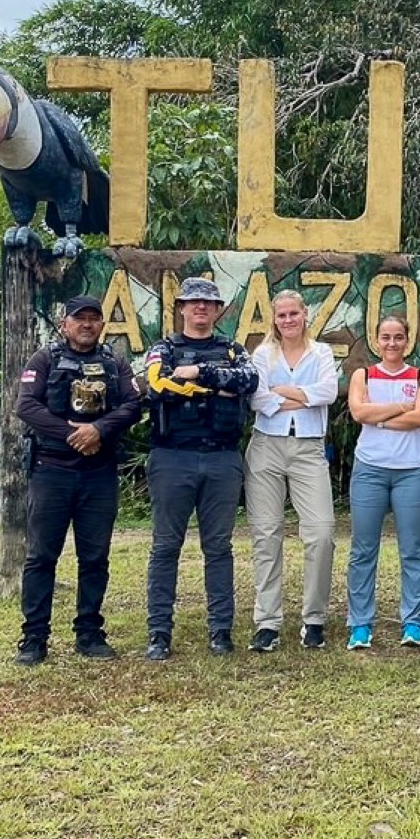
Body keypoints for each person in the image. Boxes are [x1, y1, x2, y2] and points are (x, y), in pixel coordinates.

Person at [12, 295, 143, 666]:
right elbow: (26, 406)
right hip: (51, 471)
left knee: (95, 557)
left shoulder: (114, 362)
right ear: (64, 324)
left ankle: (89, 633)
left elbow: (133, 405)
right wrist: (73, 433)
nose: (87, 324)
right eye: (79, 318)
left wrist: (99, 429)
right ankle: (34, 637)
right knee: (41, 557)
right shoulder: (44, 359)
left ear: (101, 324)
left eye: (93, 318)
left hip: (98, 474)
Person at [141, 276, 258, 661]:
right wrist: (214, 386)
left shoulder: (232, 349)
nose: (201, 308)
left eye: (208, 303)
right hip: (172, 457)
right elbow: (156, 385)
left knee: (219, 547)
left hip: (222, 458)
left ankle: (221, 631)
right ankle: (159, 633)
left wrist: (195, 373)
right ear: (182, 308)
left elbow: (249, 380)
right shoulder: (163, 348)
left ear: (218, 309)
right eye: (193, 302)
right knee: (165, 547)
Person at [245, 289, 340, 651]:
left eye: (293, 313)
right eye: (281, 315)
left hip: (309, 448)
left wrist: (284, 391)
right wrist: (302, 396)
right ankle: (267, 622)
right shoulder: (262, 354)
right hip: (266, 446)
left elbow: (328, 392)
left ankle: (314, 619)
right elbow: (257, 398)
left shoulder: (321, 352)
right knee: (266, 534)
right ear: (274, 319)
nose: (288, 320)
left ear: (305, 314)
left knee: (321, 532)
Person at [343, 313, 420, 649]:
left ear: (407, 340)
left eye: (398, 337)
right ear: (376, 340)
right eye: (386, 337)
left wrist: (378, 416)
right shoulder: (364, 375)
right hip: (370, 470)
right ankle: (360, 625)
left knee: (413, 549)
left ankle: (413, 623)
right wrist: (400, 407)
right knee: (363, 549)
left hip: (411, 470)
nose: (392, 343)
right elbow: (358, 413)